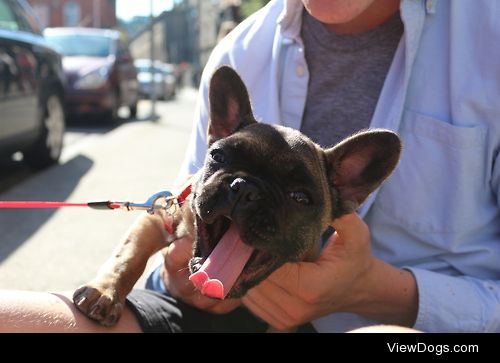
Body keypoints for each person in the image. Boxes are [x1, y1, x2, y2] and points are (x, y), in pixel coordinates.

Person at [1, 0, 499, 333]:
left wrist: (380, 292)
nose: (244, 193)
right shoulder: (241, 47)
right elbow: (165, 218)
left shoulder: (487, 39)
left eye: (301, 193)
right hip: (204, 313)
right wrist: (161, 274)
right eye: (224, 158)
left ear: (348, 185)